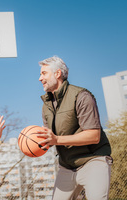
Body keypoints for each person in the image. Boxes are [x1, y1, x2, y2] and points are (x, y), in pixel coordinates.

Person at [36, 56, 112, 200]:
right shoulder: (46, 106)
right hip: (66, 165)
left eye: (44, 73)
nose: (40, 78)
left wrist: (56, 139)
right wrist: (38, 142)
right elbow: (50, 140)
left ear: (57, 74)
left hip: (92, 160)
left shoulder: (82, 96)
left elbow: (93, 136)